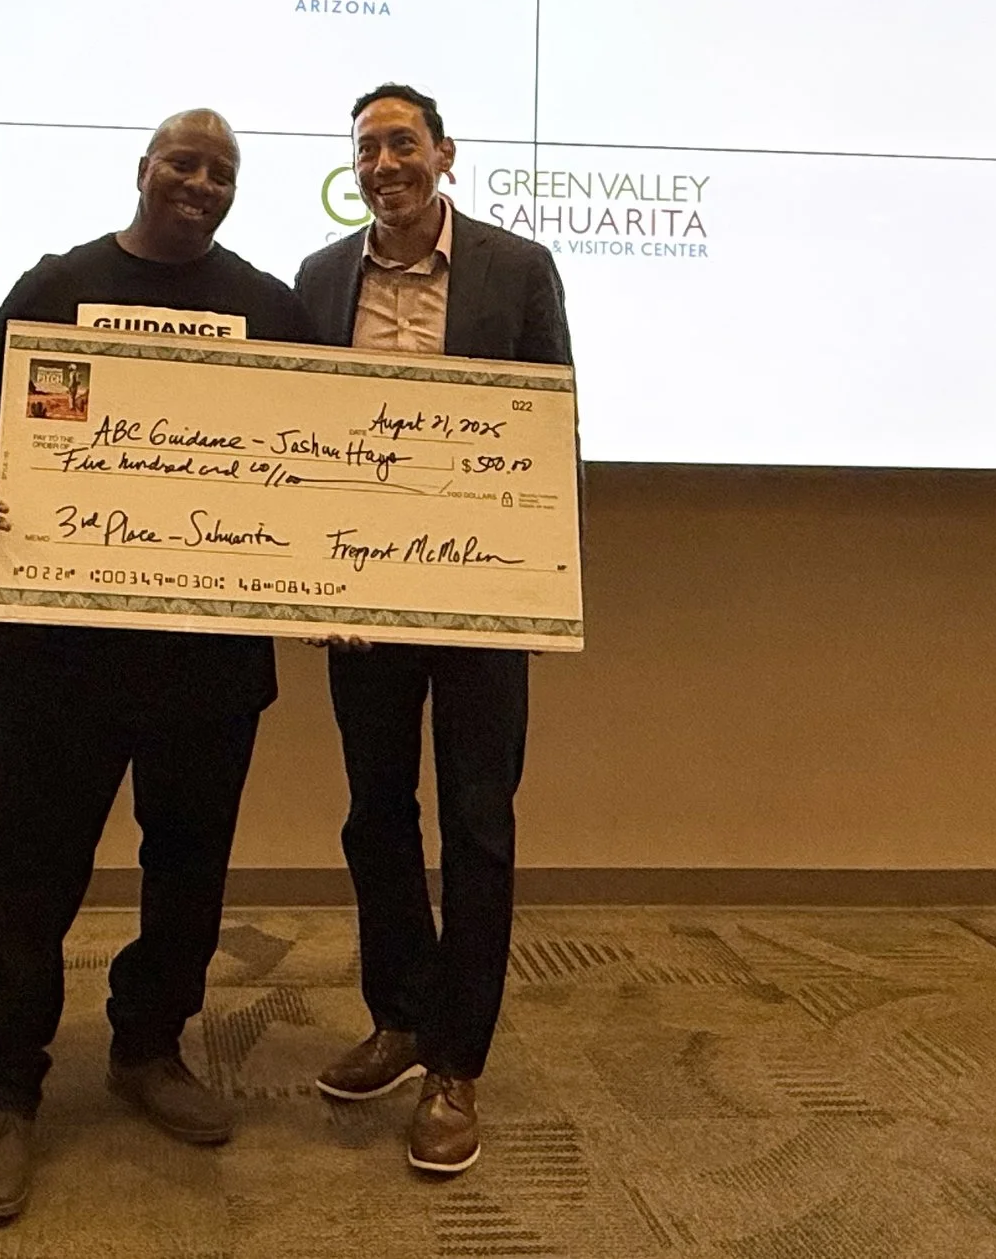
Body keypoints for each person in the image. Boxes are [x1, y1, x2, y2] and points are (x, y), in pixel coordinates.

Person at [0, 110, 315, 1224]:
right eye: (183, 163)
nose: (199, 183)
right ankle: (6, 1080)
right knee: (29, 870)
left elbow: (316, 447)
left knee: (189, 869)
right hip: (59, 648)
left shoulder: (269, 305)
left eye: (221, 171)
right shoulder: (57, 281)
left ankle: (148, 1046)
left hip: (208, 656)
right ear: (143, 171)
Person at [293, 83, 573, 1178]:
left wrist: (542, 584)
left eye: (401, 143)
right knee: (374, 815)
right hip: (360, 602)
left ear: (444, 155)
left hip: (482, 596)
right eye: (366, 148)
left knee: (477, 822)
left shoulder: (518, 268)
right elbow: (296, 436)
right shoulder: (320, 279)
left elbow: (554, 422)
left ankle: (459, 1061)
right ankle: (401, 1018)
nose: (383, 163)